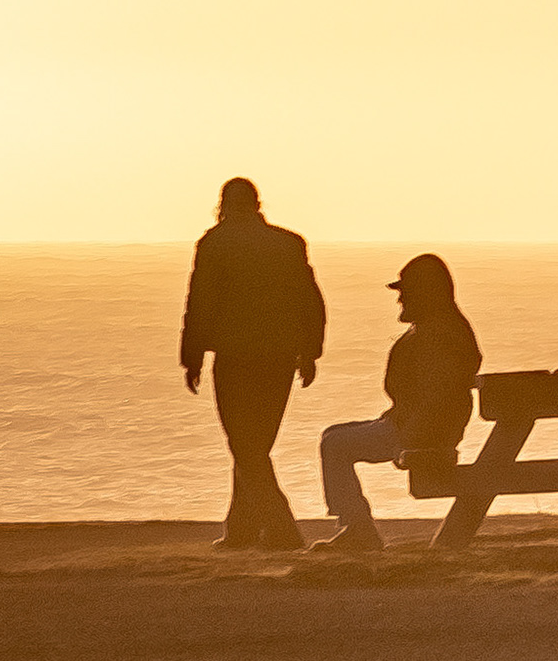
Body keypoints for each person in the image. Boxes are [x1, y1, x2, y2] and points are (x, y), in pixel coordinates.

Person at [177, 174, 325, 549]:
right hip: (280, 359)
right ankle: (241, 531)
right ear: (258, 204)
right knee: (253, 444)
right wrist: (309, 352)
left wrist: (191, 358)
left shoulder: (214, 243)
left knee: (246, 446)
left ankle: (282, 531)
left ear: (222, 205)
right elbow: (311, 302)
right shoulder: (289, 244)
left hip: (235, 358)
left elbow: (200, 304)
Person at [315, 252, 486, 551]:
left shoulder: (438, 335)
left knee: (335, 445)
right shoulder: (436, 327)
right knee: (333, 436)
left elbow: (438, 399)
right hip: (410, 426)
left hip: (421, 435)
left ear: (424, 293)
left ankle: (357, 529)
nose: (400, 300)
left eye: (405, 293)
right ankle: (355, 526)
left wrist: (412, 438)